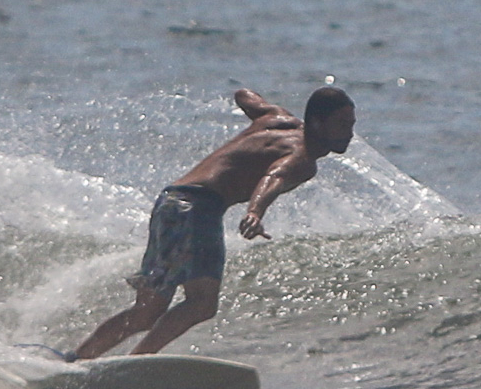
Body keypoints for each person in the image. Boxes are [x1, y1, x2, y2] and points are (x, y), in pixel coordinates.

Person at [71, 86, 355, 360]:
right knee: (202, 303)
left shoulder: (277, 119)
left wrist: (252, 104)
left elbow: (244, 96)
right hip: (199, 208)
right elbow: (274, 177)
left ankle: (77, 358)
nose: (349, 133)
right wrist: (255, 212)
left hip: (170, 202)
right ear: (317, 123)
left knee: (147, 311)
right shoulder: (303, 159)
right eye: (342, 124)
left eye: (351, 124)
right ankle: (138, 360)